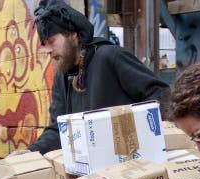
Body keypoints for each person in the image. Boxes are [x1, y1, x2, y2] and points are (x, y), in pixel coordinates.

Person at [27, 0, 169, 154]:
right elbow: (58, 131)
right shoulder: (61, 77)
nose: (48, 50)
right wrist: (32, 152)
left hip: (129, 160)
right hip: (91, 169)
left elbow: (160, 95)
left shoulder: (110, 56)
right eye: (45, 44)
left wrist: (138, 134)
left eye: (52, 41)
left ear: (72, 34)